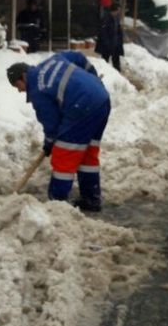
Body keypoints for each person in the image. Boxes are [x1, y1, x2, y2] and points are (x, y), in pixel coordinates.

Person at [7, 51, 111, 212]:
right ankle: (91, 199)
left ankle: (57, 205)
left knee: (64, 155)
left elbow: (52, 124)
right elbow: (78, 57)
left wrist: (49, 144)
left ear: (23, 77)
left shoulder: (37, 90)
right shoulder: (53, 60)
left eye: (17, 86)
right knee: (87, 154)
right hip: (102, 100)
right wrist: (93, 77)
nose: (19, 91)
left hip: (81, 108)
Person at [95, 3, 124, 71]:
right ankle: (105, 72)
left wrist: (120, 38)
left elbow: (118, 29)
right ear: (114, 10)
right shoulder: (106, 18)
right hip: (107, 44)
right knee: (105, 60)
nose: (119, 12)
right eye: (118, 10)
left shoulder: (116, 18)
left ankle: (117, 72)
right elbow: (103, 32)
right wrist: (107, 43)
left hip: (115, 43)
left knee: (116, 59)